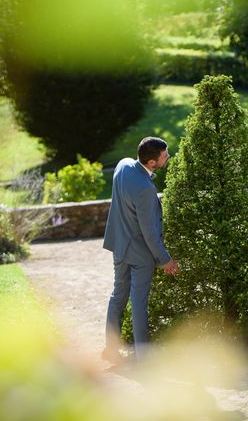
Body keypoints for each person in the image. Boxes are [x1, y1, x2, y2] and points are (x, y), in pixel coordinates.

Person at [102, 136, 179, 363]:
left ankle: (111, 348)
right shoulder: (145, 188)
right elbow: (150, 232)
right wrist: (165, 260)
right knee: (138, 303)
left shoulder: (123, 165)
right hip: (140, 254)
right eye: (165, 155)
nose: (168, 157)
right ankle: (144, 356)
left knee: (117, 296)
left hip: (119, 246)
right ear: (152, 163)